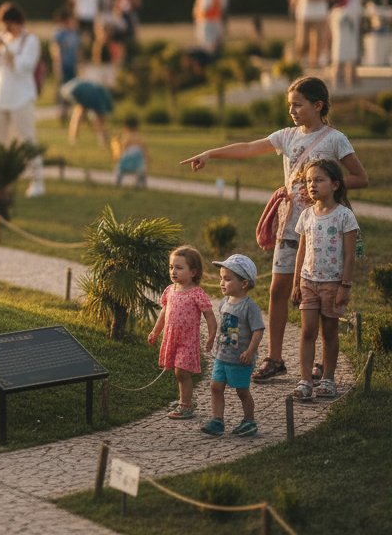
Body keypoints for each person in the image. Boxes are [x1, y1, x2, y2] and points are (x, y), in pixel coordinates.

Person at [181, 76, 367, 382]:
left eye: (298, 104)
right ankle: (276, 358)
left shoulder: (336, 139)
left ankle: (322, 364)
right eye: (290, 105)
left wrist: (327, 189)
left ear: (317, 105)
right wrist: (210, 153)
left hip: (324, 230)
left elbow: (361, 177)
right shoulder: (287, 136)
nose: (292, 110)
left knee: (322, 293)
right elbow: (248, 147)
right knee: (279, 289)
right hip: (290, 225)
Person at [291, 158, 358, 402]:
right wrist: (296, 283)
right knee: (307, 331)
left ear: (335, 184)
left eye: (319, 180)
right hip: (308, 282)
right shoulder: (307, 215)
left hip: (333, 284)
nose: (312, 185)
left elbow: (350, 255)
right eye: (309, 181)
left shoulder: (345, 216)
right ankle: (305, 381)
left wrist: (345, 286)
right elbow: (301, 251)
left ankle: (328, 379)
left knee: (329, 333)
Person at [147, 245, 218, 420]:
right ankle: (184, 401)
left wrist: (211, 336)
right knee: (177, 372)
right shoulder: (170, 290)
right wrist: (155, 332)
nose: (173, 272)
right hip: (172, 337)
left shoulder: (197, 294)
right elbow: (164, 313)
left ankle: (185, 406)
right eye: (171, 267)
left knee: (182, 371)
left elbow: (209, 315)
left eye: (179, 268)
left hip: (188, 340)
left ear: (193, 272)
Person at [0, 3, 45, 197]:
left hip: (22, 97)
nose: (5, 30)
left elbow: (24, 67)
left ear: (18, 22)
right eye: (2, 26)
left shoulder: (31, 41)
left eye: (8, 25)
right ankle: (1, 181)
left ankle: (37, 181)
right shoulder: (1, 38)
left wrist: (5, 50)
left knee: (27, 140)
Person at [201, 254, 264, 437]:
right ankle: (217, 420)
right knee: (215, 386)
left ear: (244, 284)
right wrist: (213, 338)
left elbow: (258, 331)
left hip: (240, 359)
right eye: (221, 278)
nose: (222, 283)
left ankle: (249, 421)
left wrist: (250, 351)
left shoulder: (250, 307)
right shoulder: (224, 302)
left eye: (227, 279)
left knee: (242, 391)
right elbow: (224, 327)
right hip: (222, 356)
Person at [329, 0, 363, 88]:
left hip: (350, 40)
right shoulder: (335, 10)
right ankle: (335, 87)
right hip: (339, 41)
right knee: (338, 64)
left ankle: (351, 87)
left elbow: (357, 27)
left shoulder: (352, 9)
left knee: (351, 64)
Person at [50, 8, 81, 122]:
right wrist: (58, 65)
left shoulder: (74, 33)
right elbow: (56, 50)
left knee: (73, 89)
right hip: (63, 65)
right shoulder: (59, 33)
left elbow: (78, 50)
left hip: (72, 65)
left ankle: (73, 113)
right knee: (62, 89)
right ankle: (62, 113)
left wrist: (79, 64)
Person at [112, 116, 148, 188]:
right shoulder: (139, 137)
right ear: (137, 127)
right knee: (141, 171)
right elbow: (143, 149)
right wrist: (147, 158)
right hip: (137, 159)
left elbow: (123, 148)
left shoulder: (126, 136)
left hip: (127, 159)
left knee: (119, 170)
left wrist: (118, 156)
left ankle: (118, 181)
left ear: (125, 127)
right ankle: (141, 183)